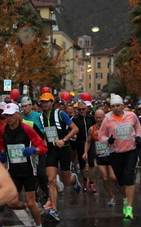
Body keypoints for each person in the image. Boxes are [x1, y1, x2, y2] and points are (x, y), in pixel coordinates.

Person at [0, 103, 47, 227]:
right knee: (11, 203)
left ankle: (38, 224)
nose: (8, 118)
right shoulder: (3, 130)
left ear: (18, 115)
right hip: (13, 171)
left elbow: (43, 147)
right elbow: (1, 144)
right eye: (6, 116)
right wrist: (2, 153)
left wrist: (33, 150)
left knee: (31, 203)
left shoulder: (27, 129)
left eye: (11, 115)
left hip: (29, 171)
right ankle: (27, 207)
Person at [39, 92, 80, 222]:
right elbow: (45, 132)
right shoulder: (41, 117)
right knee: (51, 179)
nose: (44, 104)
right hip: (51, 150)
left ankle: (74, 178)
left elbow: (75, 129)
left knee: (66, 181)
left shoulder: (60, 114)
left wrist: (63, 139)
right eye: (43, 102)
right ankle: (55, 210)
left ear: (52, 102)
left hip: (64, 149)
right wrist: (44, 141)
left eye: (47, 102)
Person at [99, 95, 141, 219]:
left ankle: (129, 207)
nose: (116, 108)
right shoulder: (107, 119)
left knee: (129, 177)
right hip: (115, 153)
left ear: (123, 106)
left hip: (131, 151)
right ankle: (124, 197)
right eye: (113, 106)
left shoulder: (131, 116)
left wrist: (138, 136)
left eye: (118, 106)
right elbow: (101, 136)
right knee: (120, 180)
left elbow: (138, 127)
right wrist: (108, 140)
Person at [84, 109, 118, 206]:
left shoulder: (109, 127)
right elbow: (88, 141)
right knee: (105, 178)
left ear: (104, 117)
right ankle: (111, 196)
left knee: (113, 177)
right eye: (97, 118)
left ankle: (120, 189)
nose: (98, 120)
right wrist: (85, 152)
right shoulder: (92, 129)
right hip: (100, 157)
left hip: (111, 155)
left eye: (100, 117)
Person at [21, 96, 49, 200]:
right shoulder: (21, 118)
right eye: (23, 106)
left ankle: (46, 192)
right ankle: (37, 194)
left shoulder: (38, 116)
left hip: (40, 147)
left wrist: (45, 140)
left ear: (31, 106)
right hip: (28, 149)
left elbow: (46, 128)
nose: (25, 108)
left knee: (41, 173)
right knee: (33, 173)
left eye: (27, 106)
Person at [72, 102, 96, 192]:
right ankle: (85, 180)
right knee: (82, 164)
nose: (81, 111)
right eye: (79, 109)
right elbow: (70, 129)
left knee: (91, 162)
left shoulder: (91, 117)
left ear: (87, 109)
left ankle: (92, 183)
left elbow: (96, 127)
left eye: (83, 109)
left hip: (91, 142)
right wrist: (73, 135)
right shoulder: (75, 119)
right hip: (80, 143)